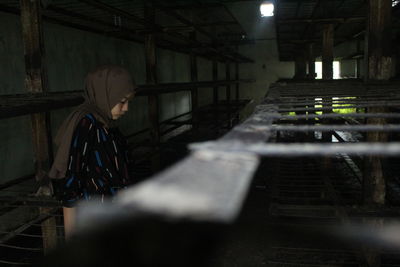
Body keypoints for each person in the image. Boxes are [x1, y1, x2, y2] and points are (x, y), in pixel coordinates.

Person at [48, 65, 136, 238]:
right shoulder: (87, 125)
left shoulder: (108, 127)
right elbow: (71, 185)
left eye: (128, 102)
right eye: (122, 101)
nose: (126, 108)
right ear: (105, 94)